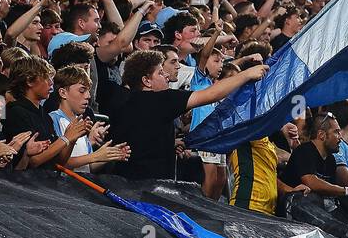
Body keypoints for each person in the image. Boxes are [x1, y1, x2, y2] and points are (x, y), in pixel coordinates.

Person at [109, 48, 267, 180]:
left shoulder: (121, 103)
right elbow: (211, 94)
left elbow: (143, 139)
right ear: (146, 80)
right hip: (153, 191)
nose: (166, 76)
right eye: (160, 73)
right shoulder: (162, 99)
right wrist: (247, 75)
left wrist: (169, 143)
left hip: (123, 185)